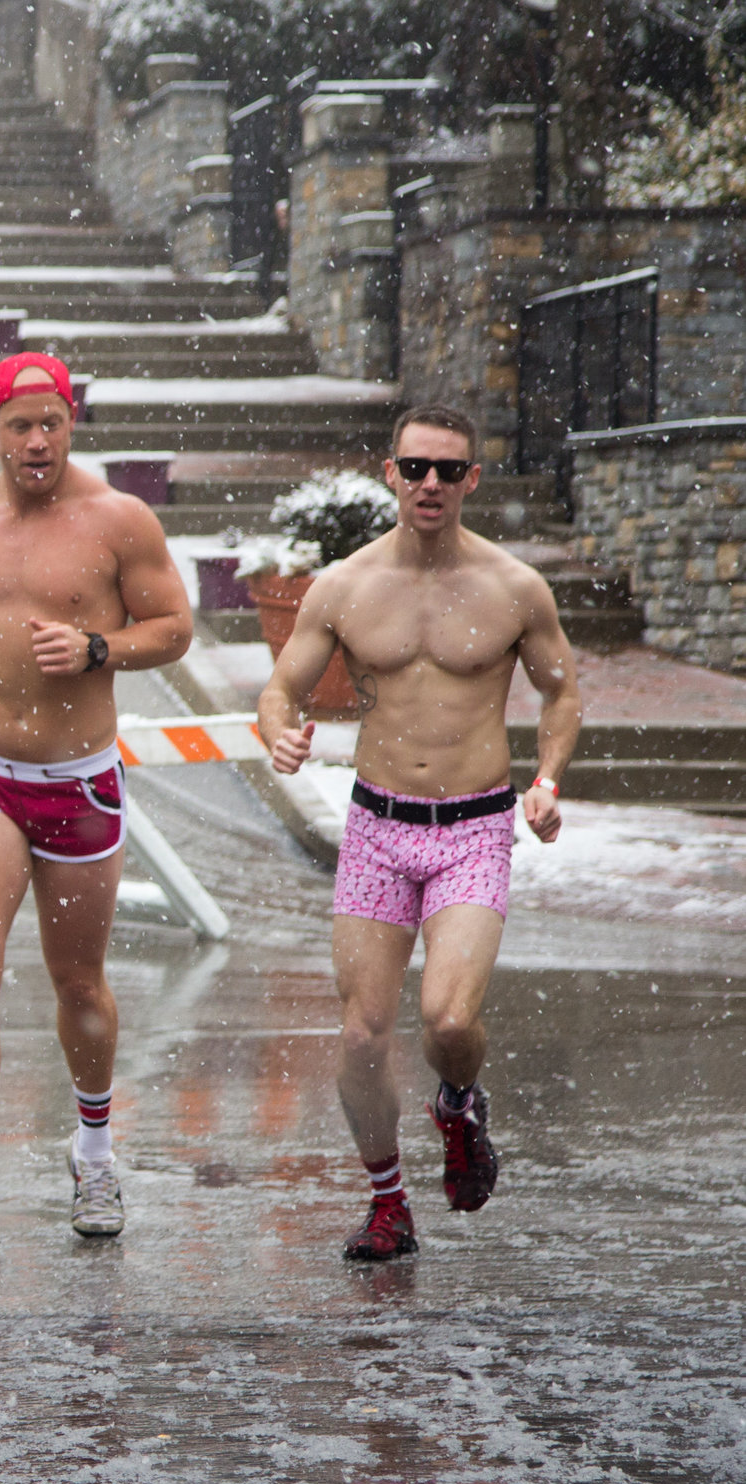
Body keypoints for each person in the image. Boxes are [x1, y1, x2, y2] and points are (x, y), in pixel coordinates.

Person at [260, 405, 581, 1261]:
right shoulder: (345, 587)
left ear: (472, 478)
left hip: (475, 826)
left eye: (448, 470)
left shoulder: (514, 588)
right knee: (364, 1030)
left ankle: (458, 1101)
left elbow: (561, 694)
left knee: (445, 1019)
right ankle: (387, 1204)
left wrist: (546, 782)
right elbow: (280, 689)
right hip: (376, 827)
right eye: (414, 468)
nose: (430, 483)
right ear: (389, 473)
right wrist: (282, 732)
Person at [0, 351, 193, 1253]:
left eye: (51, 423)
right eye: (19, 425)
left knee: (78, 983)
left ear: (71, 423)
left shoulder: (118, 520)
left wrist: (99, 648)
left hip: (77, 783)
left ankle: (93, 1151)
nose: (36, 441)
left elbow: (174, 628)